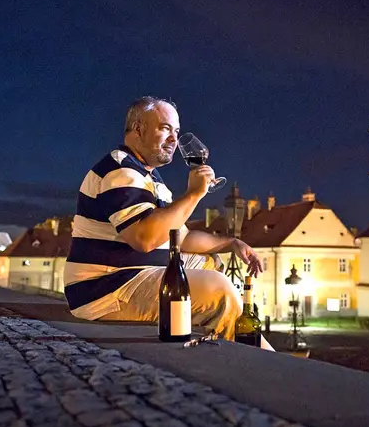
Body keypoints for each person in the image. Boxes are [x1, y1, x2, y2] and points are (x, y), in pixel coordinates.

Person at [63, 96, 264, 342]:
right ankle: (253, 362)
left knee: (211, 263)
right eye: (165, 128)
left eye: (176, 131)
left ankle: (225, 337)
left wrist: (232, 243)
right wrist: (194, 194)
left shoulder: (148, 175)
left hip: (132, 274)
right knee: (219, 290)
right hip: (105, 289)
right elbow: (145, 239)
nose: (174, 139)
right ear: (138, 129)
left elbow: (181, 237)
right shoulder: (120, 172)